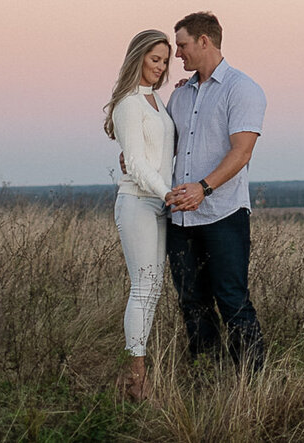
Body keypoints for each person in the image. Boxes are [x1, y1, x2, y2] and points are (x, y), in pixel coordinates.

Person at [162, 10, 266, 367]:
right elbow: (166, 149)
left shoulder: (243, 89)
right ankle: (207, 374)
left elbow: (242, 151)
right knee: (191, 301)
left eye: (182, 45)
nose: (177, 55)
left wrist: (203, 189)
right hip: (180, 221)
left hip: (223, 214)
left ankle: (251, 384)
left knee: (232, 299)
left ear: (204, 41)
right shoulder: (179, 96)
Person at [104, 28, 176, 401]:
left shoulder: (156, 101)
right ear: (138, 57)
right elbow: (134, 163)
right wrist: (169, 194)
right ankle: (136, 379)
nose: (160, 67)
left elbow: (161, 155)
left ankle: (136, 377)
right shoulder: (129, 104)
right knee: (143, 287)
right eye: (154, 59)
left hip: (161, 204)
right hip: (138, 201)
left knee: (154, 289)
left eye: (164, 61)